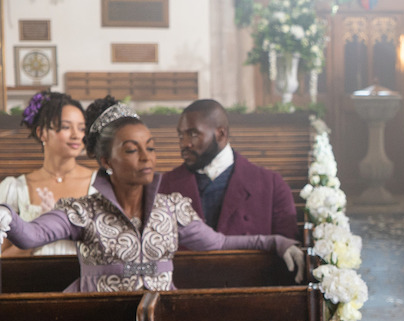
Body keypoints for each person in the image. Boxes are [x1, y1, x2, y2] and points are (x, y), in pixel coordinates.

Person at [0, 96, 305, 293]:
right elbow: (30, 236)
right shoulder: (82, 212)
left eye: (151, 148)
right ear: (107, 162)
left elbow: (219, 242)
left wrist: (277, 242)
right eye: (132, 150)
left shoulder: (172, 208)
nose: (146, 158)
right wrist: (5, 215)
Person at [158, 99, 298, 240]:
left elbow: (287, 247)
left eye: (193, 134)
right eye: (181, 135)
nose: (184, 144)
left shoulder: (271, 185)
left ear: (221, 134)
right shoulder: (165, 185)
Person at [0, 91, 98, 256]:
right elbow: (4, 259)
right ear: (41, 133)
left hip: (86, 280)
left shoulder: (100, 185)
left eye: (81, 129)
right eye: (66, 127)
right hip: (32, 280)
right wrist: (37, 232)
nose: (76, 135)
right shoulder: (14, 189)